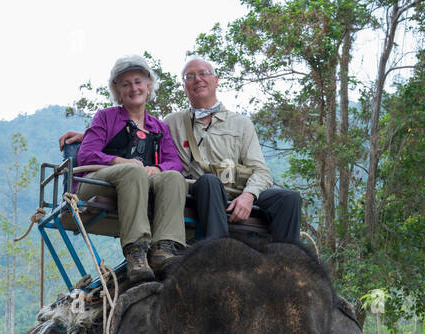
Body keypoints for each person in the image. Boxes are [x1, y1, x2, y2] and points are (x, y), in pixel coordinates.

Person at [60, 57, 303, 247]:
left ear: (215, 80)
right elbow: (130, 128)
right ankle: (217, 255)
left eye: (204, 74)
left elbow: (261, 171)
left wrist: (249, 195)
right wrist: (88, 135)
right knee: (208, 182)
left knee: (289, 198)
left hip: (237, 192)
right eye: (190, 77)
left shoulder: (241, 124)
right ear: (185, 87)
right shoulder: (173, 123)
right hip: (202, 189)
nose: (198, 80)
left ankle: (287, 266)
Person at [74, 55, 187, 281]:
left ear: (148, 85)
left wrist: (157, 168)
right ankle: (136, 250)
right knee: (134, 171)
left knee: (173, 176)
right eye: (126, 84)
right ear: (118, 90)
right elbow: (85, 154)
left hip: (141, 183)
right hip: (98, 183)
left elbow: (174, 162)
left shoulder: (159, 127)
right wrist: (121, 162)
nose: (134, 88)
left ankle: (165, 247)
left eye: (138, 81)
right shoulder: (106, 117)